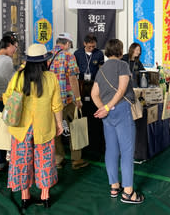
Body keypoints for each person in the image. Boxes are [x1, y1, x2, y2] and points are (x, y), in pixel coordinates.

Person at [4, 44, 64, 210]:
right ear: (45, 60)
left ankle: (25, 197)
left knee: (22, 161)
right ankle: (45, 197)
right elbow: (57, 105)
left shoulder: (18, 76)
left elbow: (7, 98)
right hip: (43, 127)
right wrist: (59, 124)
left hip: (21, 128)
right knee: (45, 160)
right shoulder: (51, 78)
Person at [91, 39, 144, 204]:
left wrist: (104, 108)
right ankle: (128, 192)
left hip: (108, 115)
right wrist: (108, 108)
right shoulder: (123, 66)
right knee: (127, 152)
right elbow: (122, 90)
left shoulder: (102, 69)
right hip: (121, 110)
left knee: (111, 150)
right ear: (121, 51)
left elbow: (94, 94)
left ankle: (114, 186)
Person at [49, 33, 87, 170]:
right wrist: (78, 99)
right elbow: (72, 79)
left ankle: (58, 159)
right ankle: (76, 159)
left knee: (56, 130)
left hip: (51, 102)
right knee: (75, 127)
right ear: (68, 44)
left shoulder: (47, 56)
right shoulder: (69, 56)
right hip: (68, 100)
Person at [0, 35, 18, 171]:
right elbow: (12, 80)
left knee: (0, 130)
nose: (15, 50)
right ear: (9, 45)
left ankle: (0, 162)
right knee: (9, 130)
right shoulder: (6, 60)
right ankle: (11, 160)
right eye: (15, 47)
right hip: (3, 99)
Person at [74, 34, 105, 155]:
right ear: (84, 44)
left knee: (94, 112)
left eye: (94, 46)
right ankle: (84, 143)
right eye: (90, 46)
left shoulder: (99, 54)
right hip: (81, 86)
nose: (92, 48)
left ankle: (96, 143)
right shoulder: (77, 54)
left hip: (94, 85)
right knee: (83, 113)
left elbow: (101, 69)